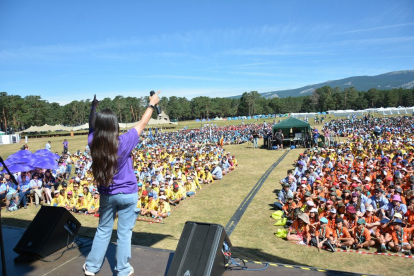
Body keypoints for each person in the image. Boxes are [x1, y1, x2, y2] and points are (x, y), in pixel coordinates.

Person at [84, 92, 160, 276]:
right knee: (124, 234)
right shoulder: (124, 141)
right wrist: (151, 104)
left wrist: (93, 107)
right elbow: (143, 123)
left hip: (107, 194)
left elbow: (91, 125)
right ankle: (123, 269)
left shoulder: (93, 141)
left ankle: (92, 267)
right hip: (127, 193)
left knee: (103, 230)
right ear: (115, 125)